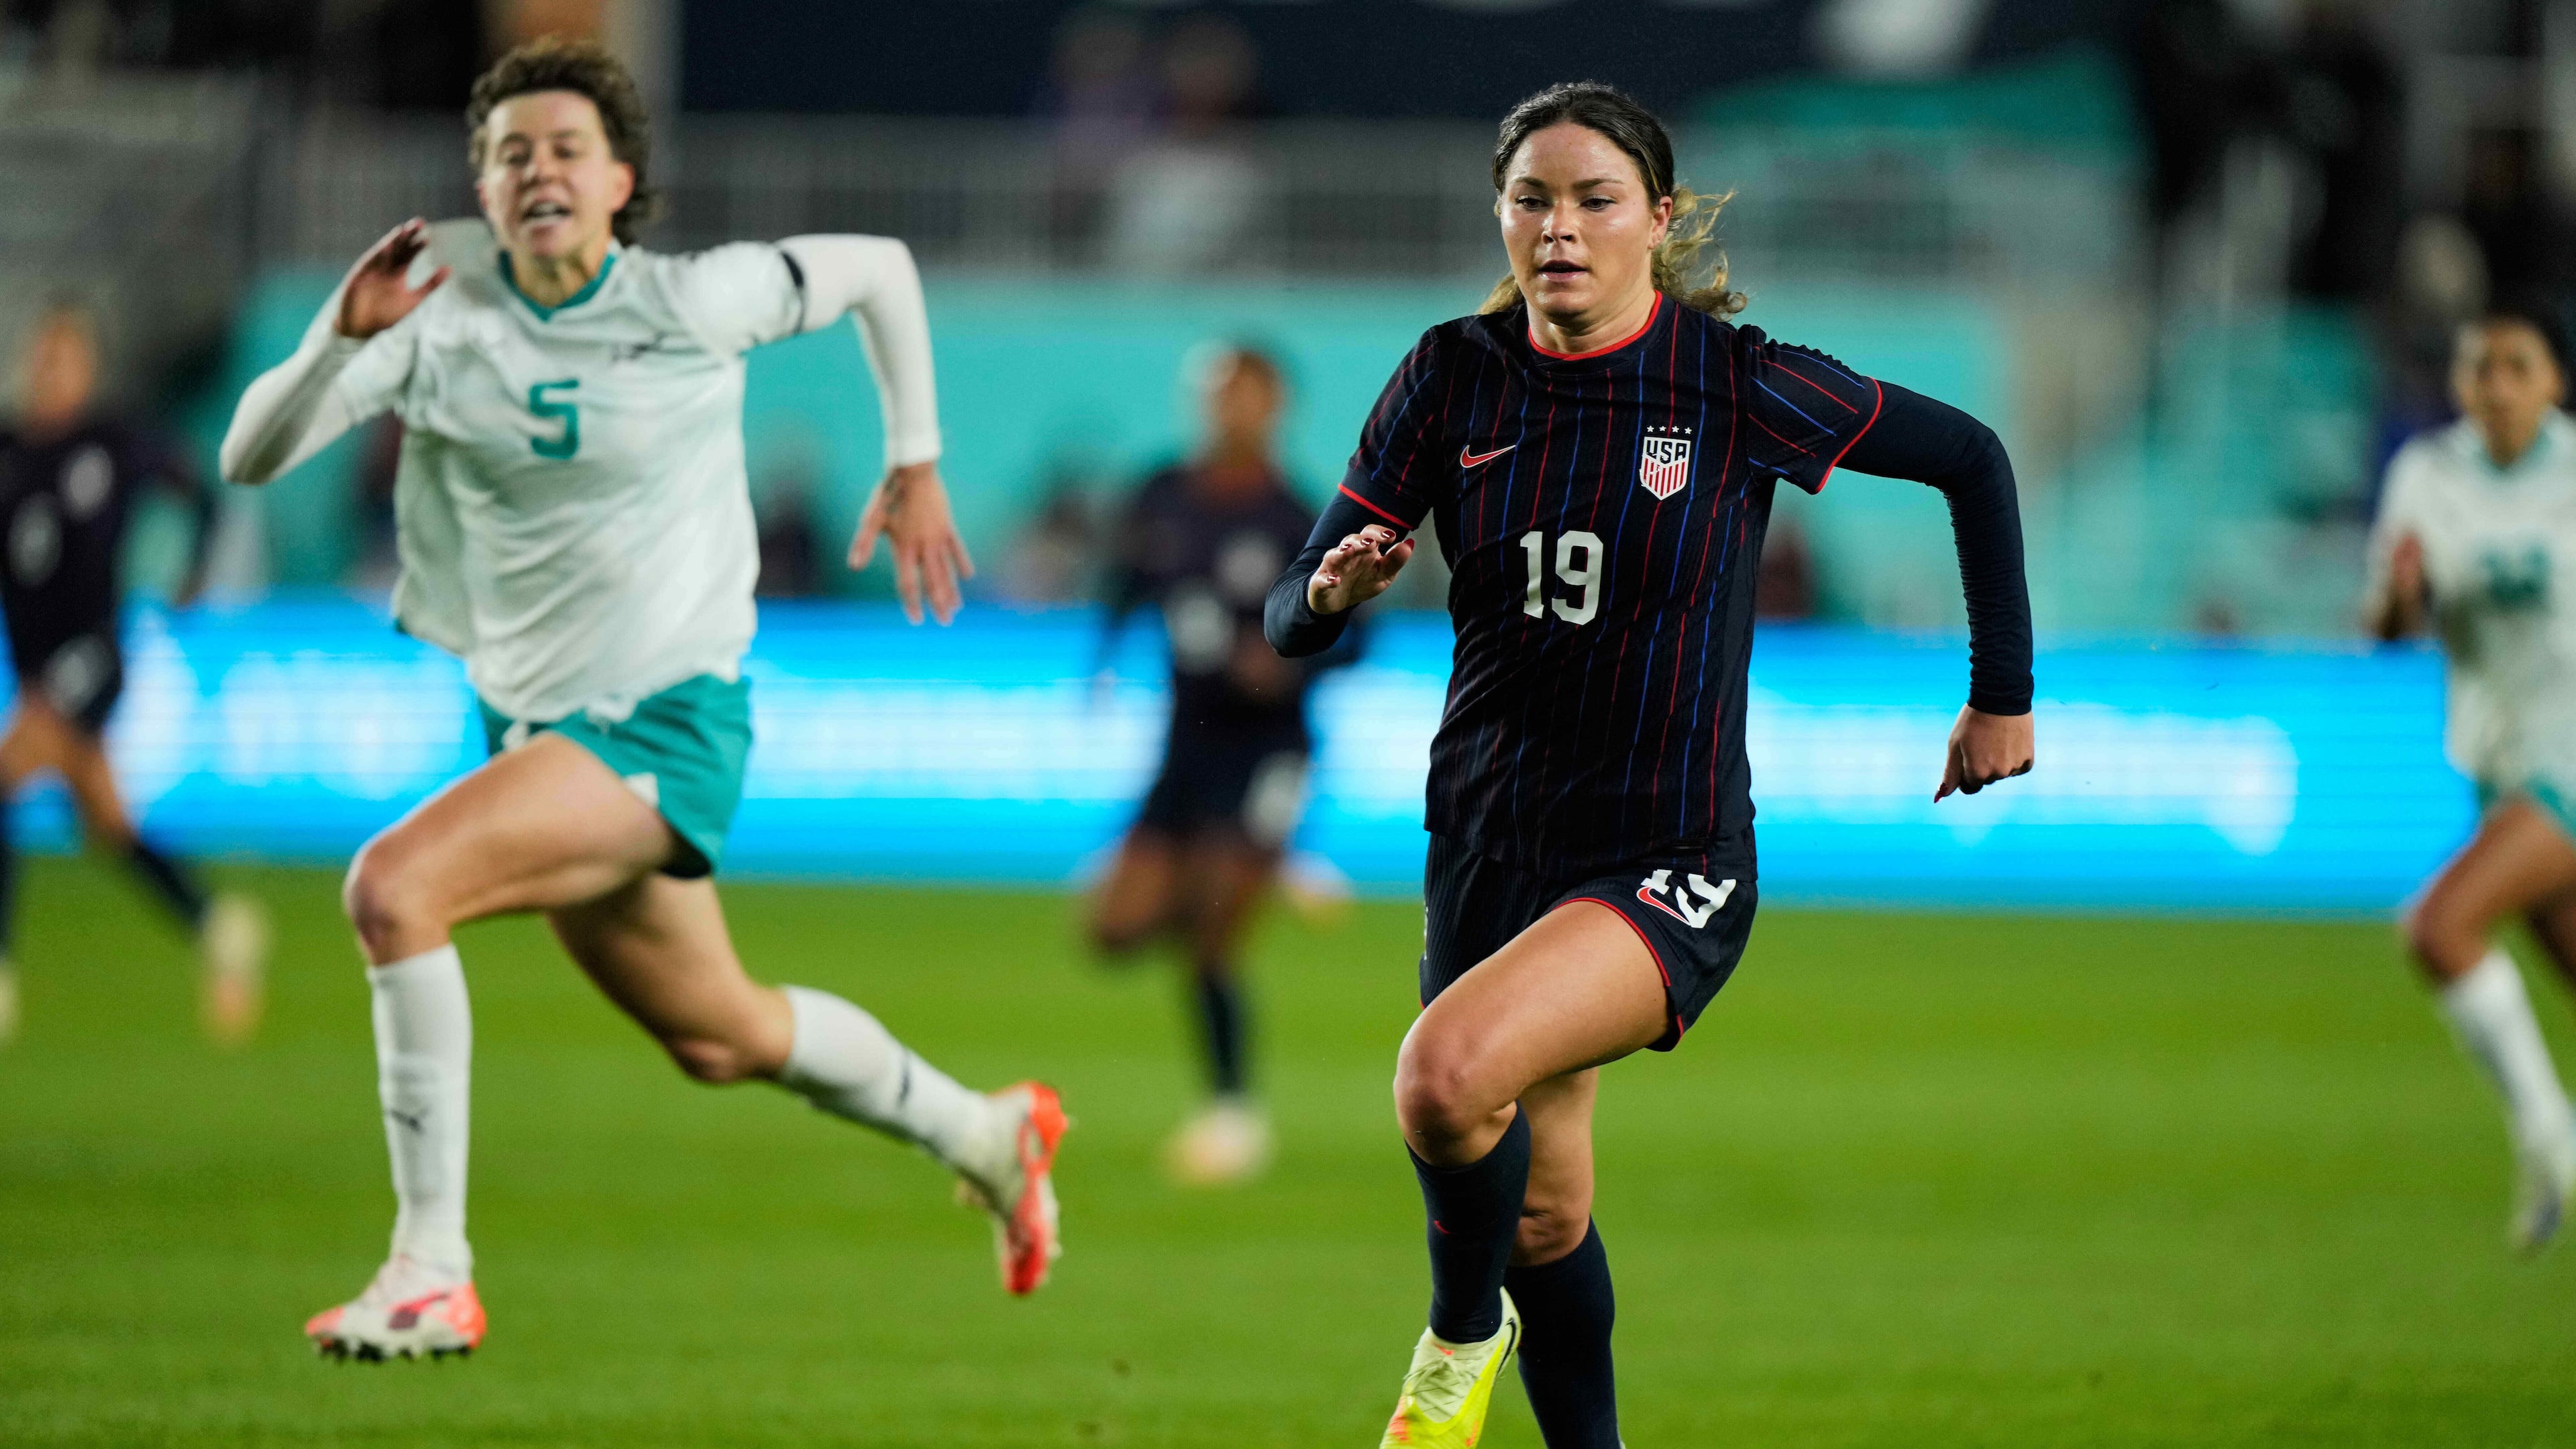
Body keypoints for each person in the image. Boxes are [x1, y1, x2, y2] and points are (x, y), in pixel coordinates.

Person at [219, 39, 1068, 1362]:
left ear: (621, 179)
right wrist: (338, 337)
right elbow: (249, 455)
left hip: (664, 720)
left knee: (395, 888)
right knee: (724, 1036)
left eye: (564, 148)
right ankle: (985, 1131)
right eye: (509, 155)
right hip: (539, 731)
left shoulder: (695, 299)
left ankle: (430, 1268)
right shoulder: (433, 330)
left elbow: (881, 273)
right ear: (483, 192)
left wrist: (917, 461)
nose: (536, 170)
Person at [1266, 83, 2035, 1448]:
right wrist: (1331, 595)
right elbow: (1286, 617)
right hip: (1492, 847)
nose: (1559, 229)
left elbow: (1970, 458)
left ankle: (1453, 1344)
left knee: (1442, 1081)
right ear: (1500, 216)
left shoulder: (1734, 383)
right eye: (1531, 200)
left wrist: (2002, 699)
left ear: (1657, 220)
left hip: (1665, 859)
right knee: (1548, 1213)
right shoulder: (1452, 374)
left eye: (1594, 200)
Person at [1089, 343, 1348, 1185]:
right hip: (1185, 745)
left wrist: (1289, 662)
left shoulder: (1299, 515)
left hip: (1269, 750)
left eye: (1242, 393)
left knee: (1211, 941)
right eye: (1213, 392)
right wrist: (1102, 656)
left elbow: (1356, 634)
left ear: (1275, 404)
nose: (1224, 408)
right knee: (1112, 932)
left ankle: (1233, 1115)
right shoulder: (1162, 493)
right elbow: (1127, 581)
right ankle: (1259, 873)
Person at [2365, 307, 2576, 1254]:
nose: (2495, 385)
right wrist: (2402, 597)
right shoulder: (2428, 476)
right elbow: (2388, 629)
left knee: (2441, 925)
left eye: (2516, 366)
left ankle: (2552, 1142)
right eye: (2478, 367)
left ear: (2553, 383)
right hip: (2500, 762)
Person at [0, 302, 266, 1046]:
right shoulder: (11, 449)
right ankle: (216, 926)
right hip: (32, 663)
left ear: (86, 369)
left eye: (66, 358)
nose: (52, 372)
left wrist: (195, 573)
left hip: (92, 655)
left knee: (5, 777)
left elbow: (200, 495)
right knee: (108, 824)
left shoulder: (113, 441)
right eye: (43, 357)